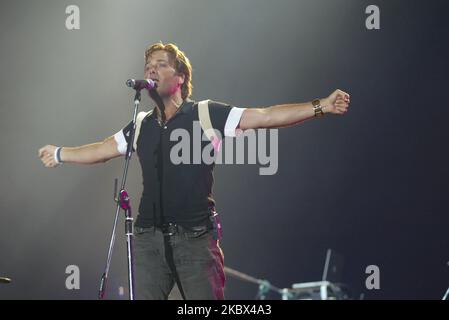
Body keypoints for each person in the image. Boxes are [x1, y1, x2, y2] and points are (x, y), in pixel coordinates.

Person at [38, 42, 350, 300]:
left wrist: (321, 105)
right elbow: (104, 148)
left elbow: (264, 116)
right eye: (148, 66)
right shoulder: (142, 123)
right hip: (149, 242)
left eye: (160, 64)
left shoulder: (205, 113)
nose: (151, 71)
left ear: (181, 76)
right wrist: (61, 154)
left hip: (196, 242)